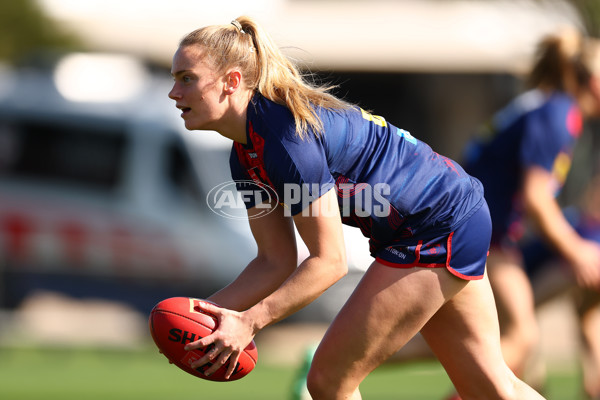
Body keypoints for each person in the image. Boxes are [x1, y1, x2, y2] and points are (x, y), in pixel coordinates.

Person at [167, 16, 544, 399]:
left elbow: (330, 262)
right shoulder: (245, 155)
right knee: (491, 387)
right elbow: (273, 261)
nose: (173, 93)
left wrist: (251, 321)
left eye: (186, 78)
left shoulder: (283, 138)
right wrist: (201, 316)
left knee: (328, 379)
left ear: (231, 82)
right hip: (451, 217)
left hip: (435, 225)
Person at [462, 27, 600, 394]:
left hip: (481, 230)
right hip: (480, 232)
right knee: (519, 336)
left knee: (515, 343)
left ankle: (331, 357)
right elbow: (537, 198)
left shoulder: (550, 106)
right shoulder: (559, 114)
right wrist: (576, 249)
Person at [521, 173, 600, 398]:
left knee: (522, 321)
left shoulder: (574, 224)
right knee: (587, 318)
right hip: (585, 266)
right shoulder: (574, 220)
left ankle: (534, 389)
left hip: (574, 267)